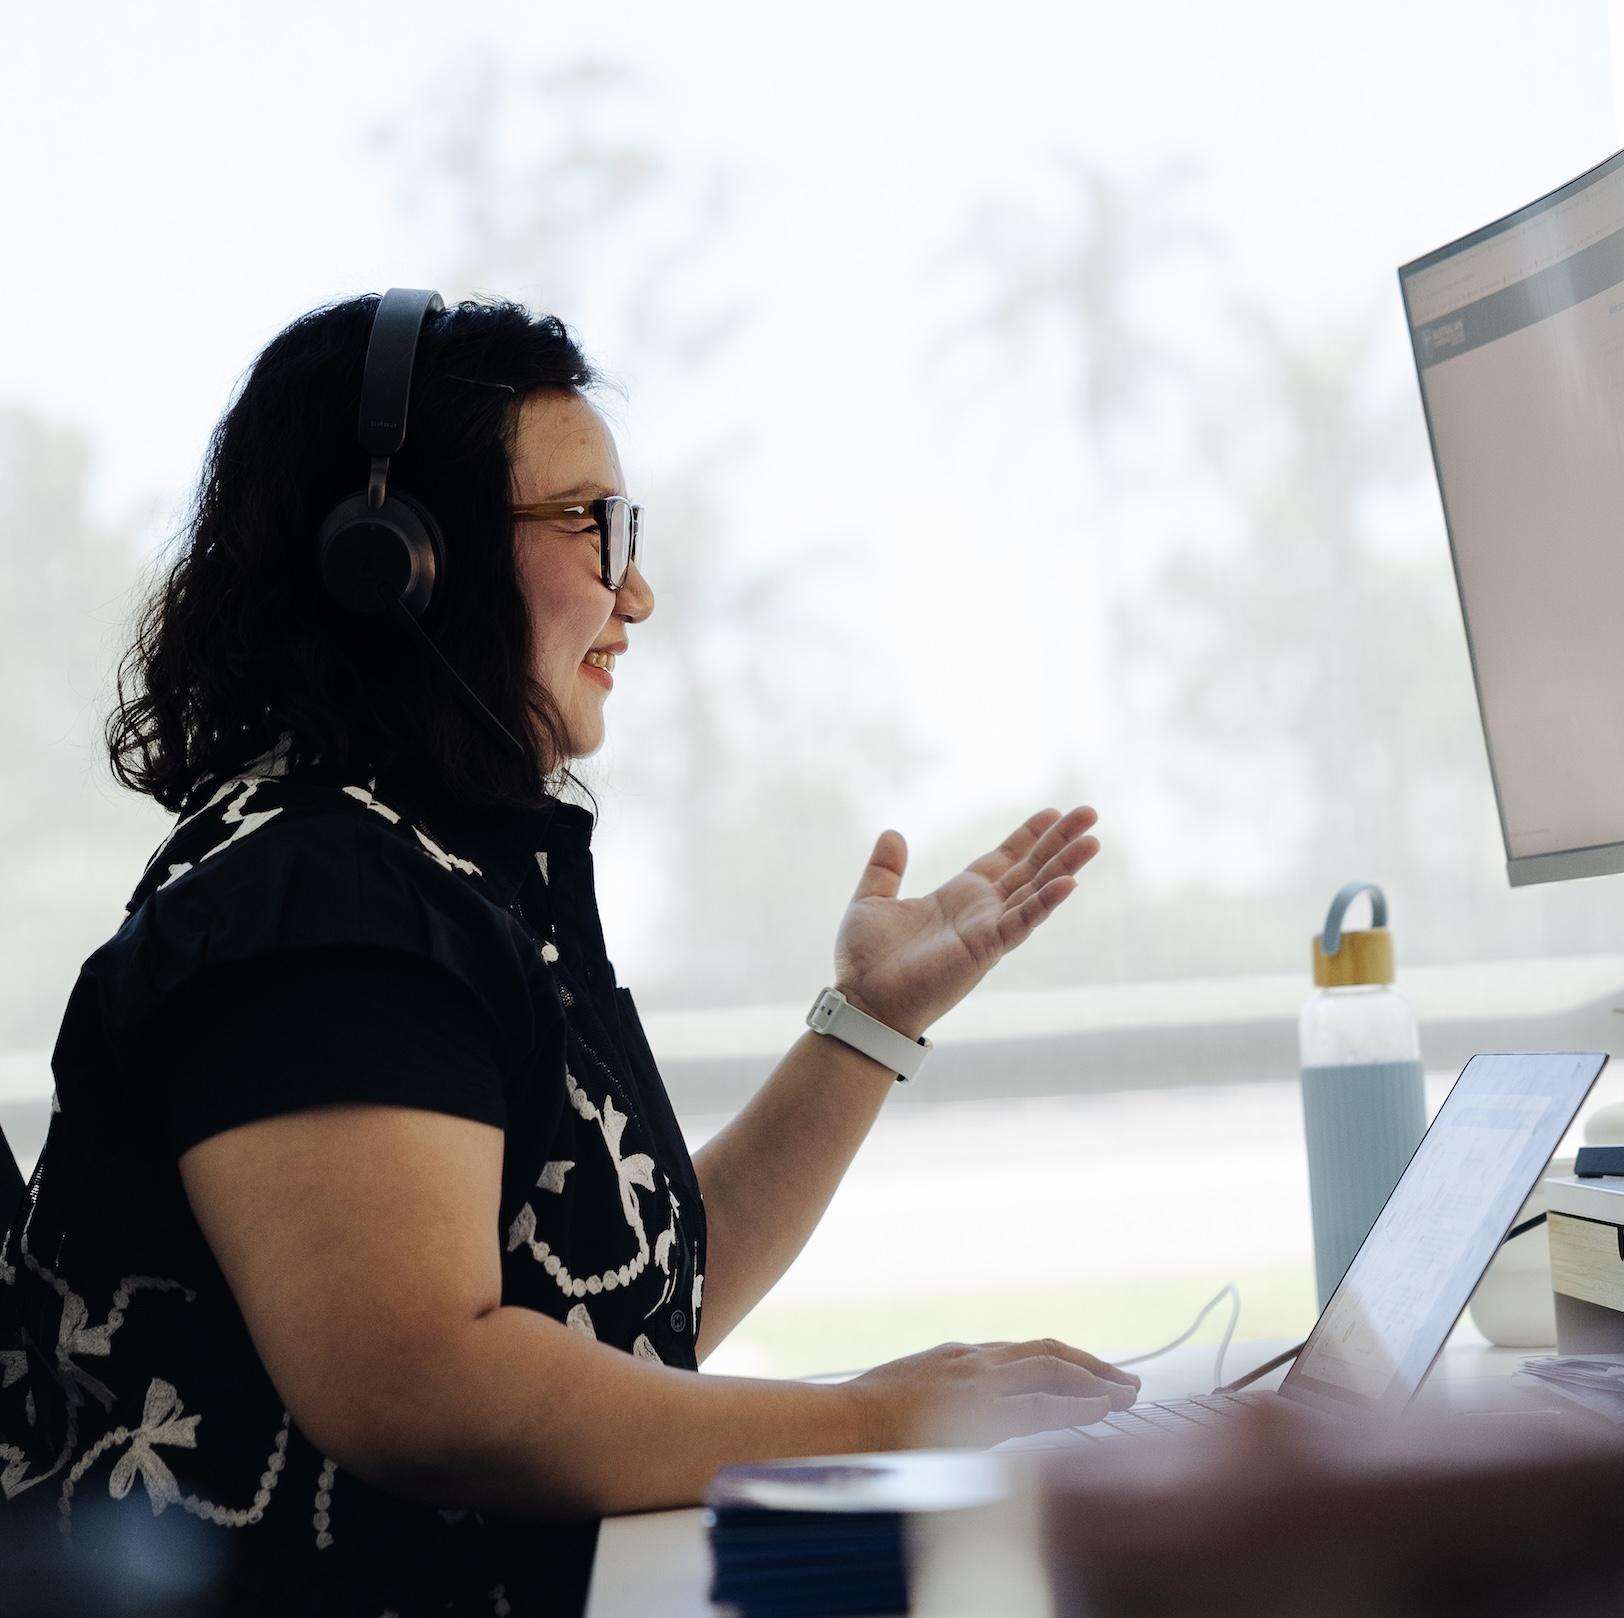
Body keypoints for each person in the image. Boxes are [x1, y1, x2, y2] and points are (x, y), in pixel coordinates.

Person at [0, 293, 1138, 1617]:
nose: (634, 590)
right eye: (594, 525)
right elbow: (426, 1384)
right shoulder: (315, 908)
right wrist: (881, 1413)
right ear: (400, 553)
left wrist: (865, 1027)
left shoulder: (428, 871)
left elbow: (622, 1320)